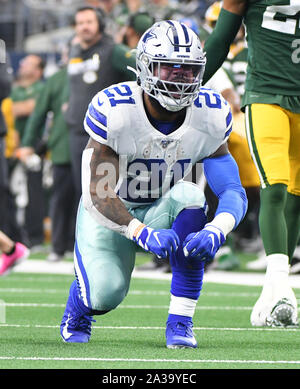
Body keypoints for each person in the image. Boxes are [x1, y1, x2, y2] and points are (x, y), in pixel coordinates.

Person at [60, 20, 248, 348]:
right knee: (104, 295)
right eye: (170, 69)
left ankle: (181, 322)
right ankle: (80, 307)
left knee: (191, 194)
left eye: (188, 71)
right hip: (110, 213)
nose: (180, 79)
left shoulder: (211, 112)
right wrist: (141, 233)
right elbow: (99, 193)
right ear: (146, 68)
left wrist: (218, 228)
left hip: (162, 206)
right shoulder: (117, 110)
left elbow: (232, 189)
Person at [203, 0, 300, 327]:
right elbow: (220, 40)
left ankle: (274, 289)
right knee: (275, 189)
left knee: (297, 197)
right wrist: (190, 88)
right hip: (267, 94)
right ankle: (281, 286)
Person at [65, 6, 136, 207]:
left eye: (89, 22)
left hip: (104, 136)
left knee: (104, 194)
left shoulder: (114, 50)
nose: (84, 27)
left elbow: (141, 75)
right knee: (83, 194)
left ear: (100, 25)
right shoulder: (74, 51)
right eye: (80, 23)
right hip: (77, 132)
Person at [16, 58, 76, 262]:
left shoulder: (99, 71)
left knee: (91, 201)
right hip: (61, 147)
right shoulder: (57, 79)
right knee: (59, 199)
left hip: (93, 148)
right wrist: (28, 143)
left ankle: (80, 245)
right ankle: (58, 246)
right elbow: (38, 112)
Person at [10, 54, 46, 249]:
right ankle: (15, 235)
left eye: (28, 63)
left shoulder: (41, 88)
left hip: (34, 147)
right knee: (12, 193)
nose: (22, 64)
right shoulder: (16, 89)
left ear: (38, 70)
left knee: (34, 193)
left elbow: (27, 108)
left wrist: (11, 108)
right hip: (12, 148)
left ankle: (35, 237)